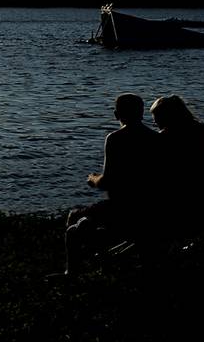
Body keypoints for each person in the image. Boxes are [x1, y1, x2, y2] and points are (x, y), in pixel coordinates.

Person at [62, 94, 160, 274]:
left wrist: (92, 179)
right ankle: (105, 261)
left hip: (122, 209)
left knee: (73, 219)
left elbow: (107, 181)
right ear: (141, 113)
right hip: (151, 209)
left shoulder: (115, 138)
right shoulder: (157, 138)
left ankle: (73, 272)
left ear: (116, 114)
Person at [150, 94, 204, 235]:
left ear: (165, 116)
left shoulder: (164, 138)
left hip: (177, 192)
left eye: (156, 118)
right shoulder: (201, 130)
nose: (155, 123)